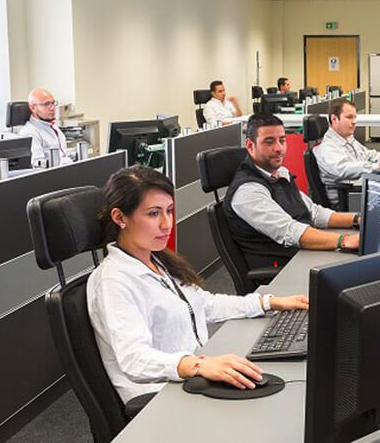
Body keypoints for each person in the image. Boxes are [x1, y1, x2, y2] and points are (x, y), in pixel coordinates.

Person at [87, 165, 308, 409]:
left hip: (191, 377)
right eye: (153, 214)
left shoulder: (155, 260)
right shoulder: (114, 281)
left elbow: (205, 304)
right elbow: (134, 359)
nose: (166, 224)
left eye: (169, 211)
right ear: (120, 218)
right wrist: (198, 365)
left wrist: (269, 302)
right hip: (160, 397)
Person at [225, 114, 360, 270]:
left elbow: (314, 213)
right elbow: (290, 231)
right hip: (284, 268)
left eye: (282, 140)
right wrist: (344, 241)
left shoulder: (279, 173)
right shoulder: (247, 190)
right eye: (269, 142)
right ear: (250, 145)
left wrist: (357, 219)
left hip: (303, 254)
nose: (279, 148)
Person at [312, 98, 380, 188]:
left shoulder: (348, 138)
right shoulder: (327, 147)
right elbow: (344, 169)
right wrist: (377, 166)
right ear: (334, 119)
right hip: (348, 195)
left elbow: (368, 155)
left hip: (359, 186)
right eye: (349, 117)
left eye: (355, 117)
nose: (354, 121)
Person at [15, 87, 72, 165]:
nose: (52, 108)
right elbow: (37, 165)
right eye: (46, 104)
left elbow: (62, 153)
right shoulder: (30, 132)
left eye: (53, 103)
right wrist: (64, 162)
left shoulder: (52, 126)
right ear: (33, 108)